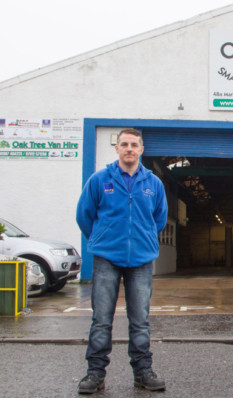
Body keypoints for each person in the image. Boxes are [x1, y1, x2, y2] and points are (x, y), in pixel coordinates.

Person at [76, 128, 168, 394]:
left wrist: (144, 239)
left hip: (141, 260)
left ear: (141, 150)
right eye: (124, 144)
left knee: (140, 320)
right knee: (102, 319)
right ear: (116, 148)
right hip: (107, 258)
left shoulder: (154, 184)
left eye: (134, 145)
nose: (129, 148)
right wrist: (101, 239)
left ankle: (143, 372)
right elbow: (85, 214)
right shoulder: (99, 179)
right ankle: (95, 373)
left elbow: (159, 220)